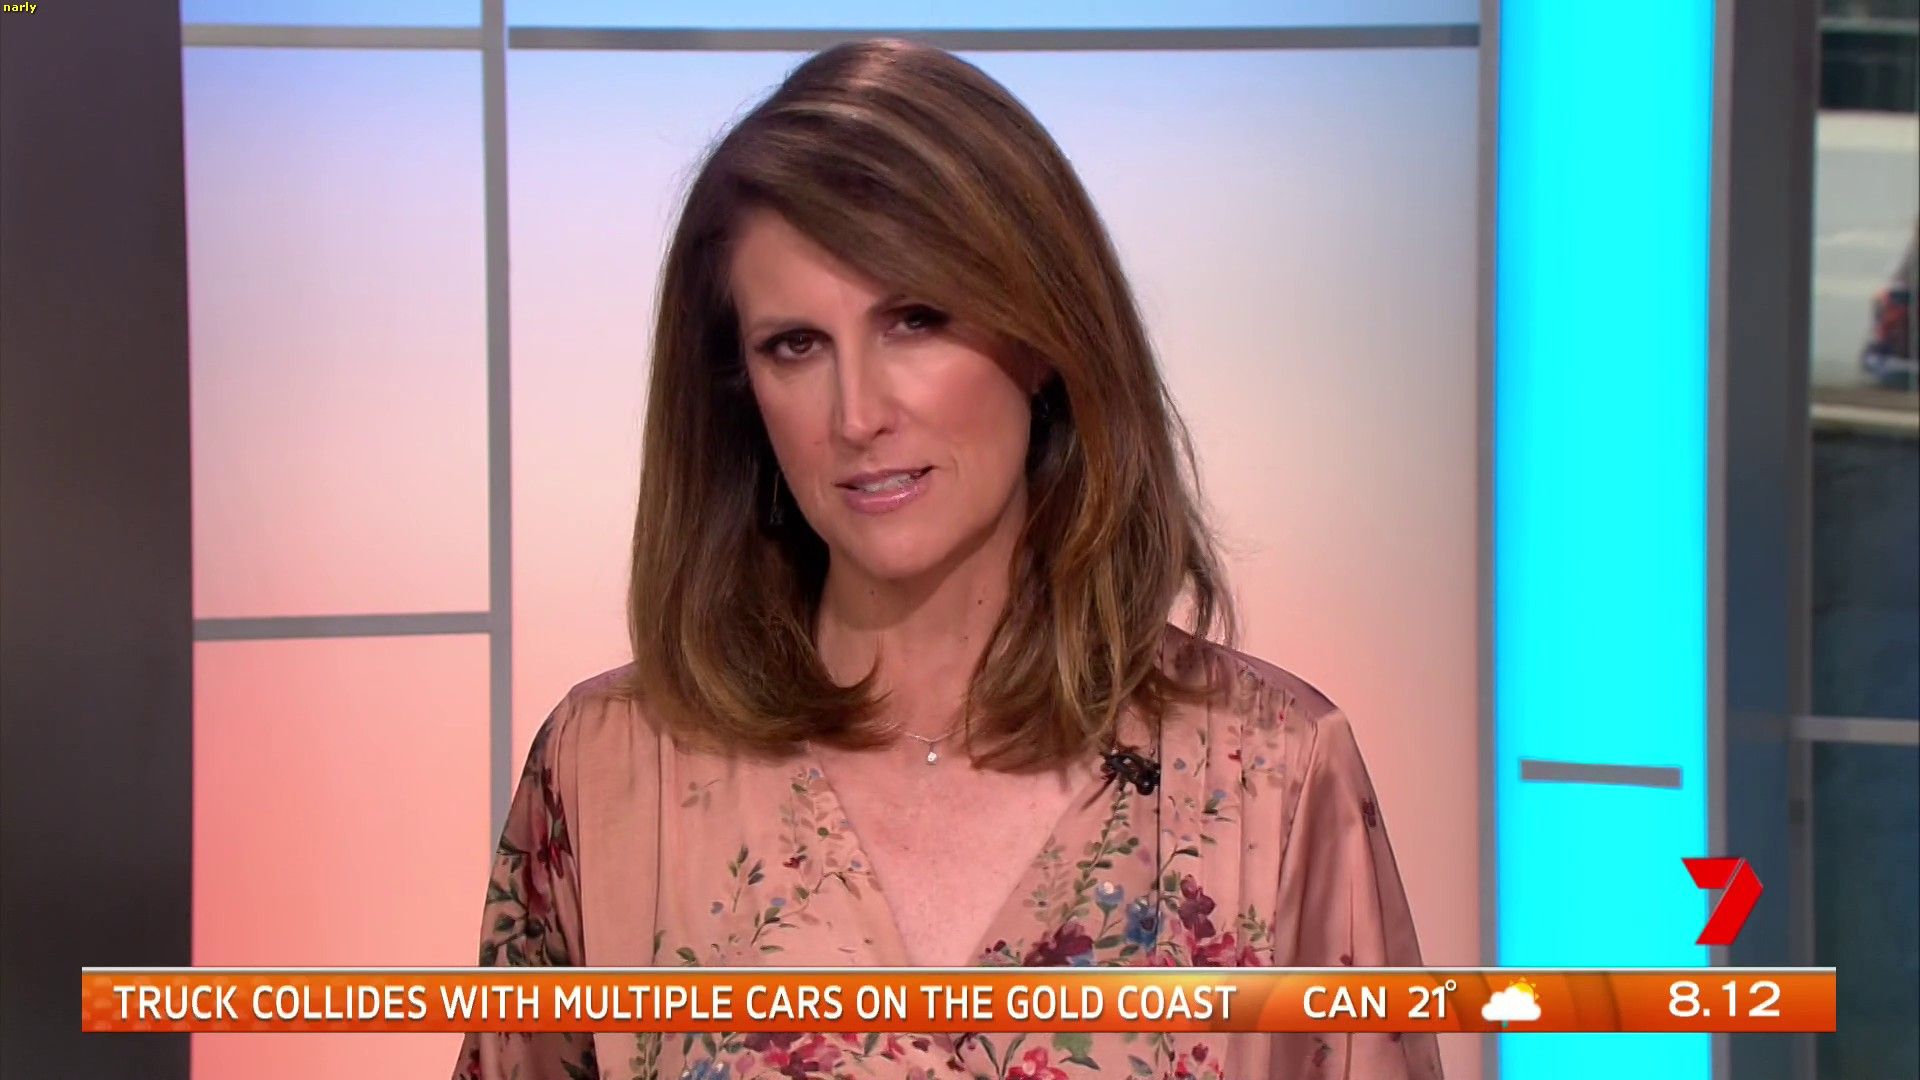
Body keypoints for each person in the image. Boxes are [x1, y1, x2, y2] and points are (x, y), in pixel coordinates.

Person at [454, 39, 1440, 1080]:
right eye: (796, 345)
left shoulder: (1275, 779)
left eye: (916, 319)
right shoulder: (606, 775)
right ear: (739, 388)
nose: (858, 415)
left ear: (1046, 335)